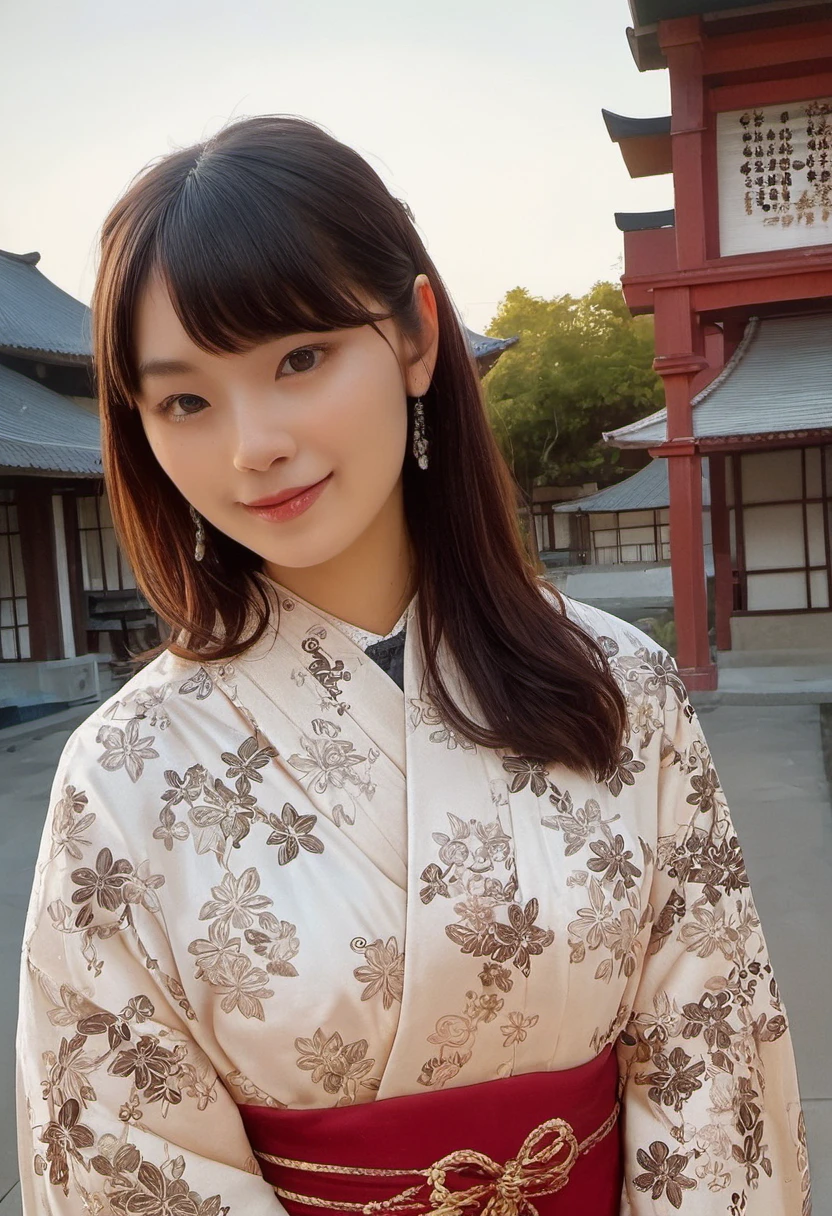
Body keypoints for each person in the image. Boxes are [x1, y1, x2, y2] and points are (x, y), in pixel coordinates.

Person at [16, 115, 811, 1216]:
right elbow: (126, 1158)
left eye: (299, 357)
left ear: (414, 336)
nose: (252, 443)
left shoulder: (620, 688)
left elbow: (711, 1059)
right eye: (185, 399)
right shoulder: (122, 777)